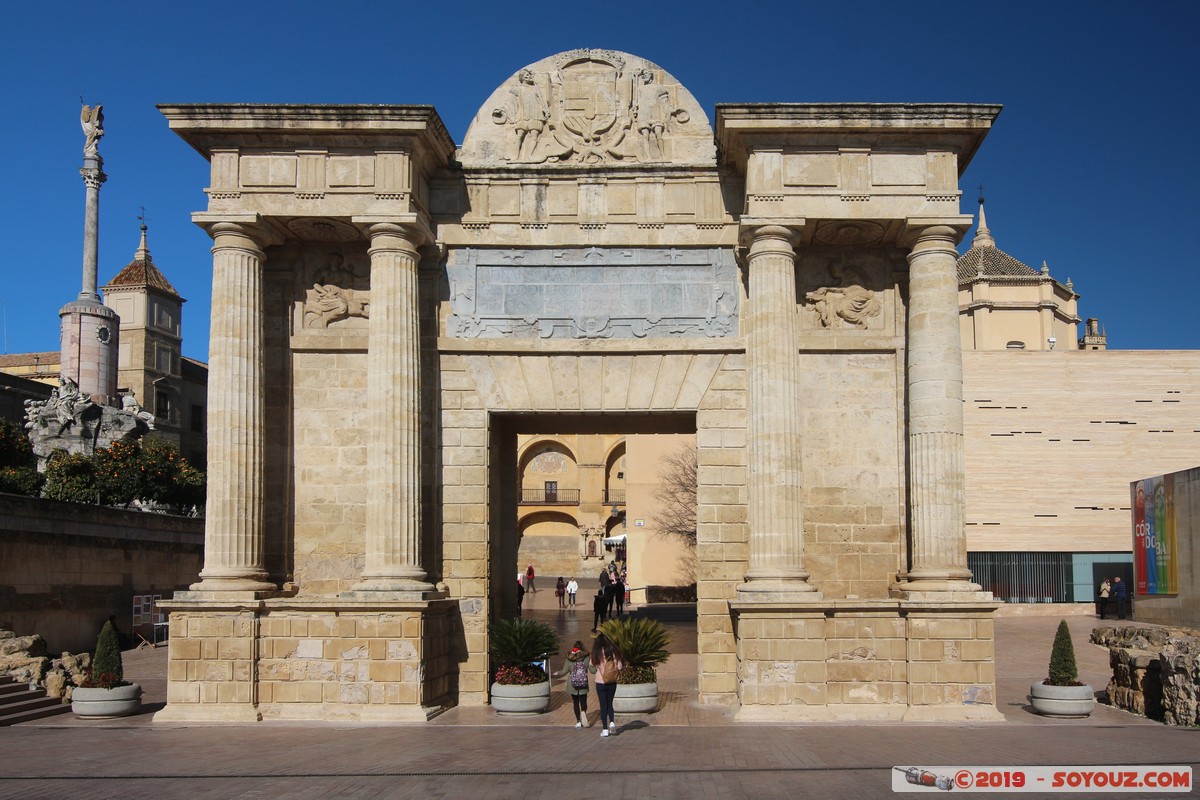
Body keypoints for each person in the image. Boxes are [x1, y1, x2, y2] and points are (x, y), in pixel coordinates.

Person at [554, 640, 595, 728]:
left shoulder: (569, 657)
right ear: (582, 647)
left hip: (572, 683)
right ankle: (583, 711)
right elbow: (592, 670)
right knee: (583, 701)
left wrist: (557, 673)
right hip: (583, 682)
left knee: (575, 702)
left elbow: (564, 671)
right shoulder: (586, 656)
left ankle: (578, 721)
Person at [591, 633, 624, 736]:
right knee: (610, 703)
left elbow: (591, 664)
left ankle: (605, 729)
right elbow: (619, 667)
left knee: (603, 705)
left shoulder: (597, 653)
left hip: (600, 682)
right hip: (612, 682)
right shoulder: (614, 651)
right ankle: (612, 723)